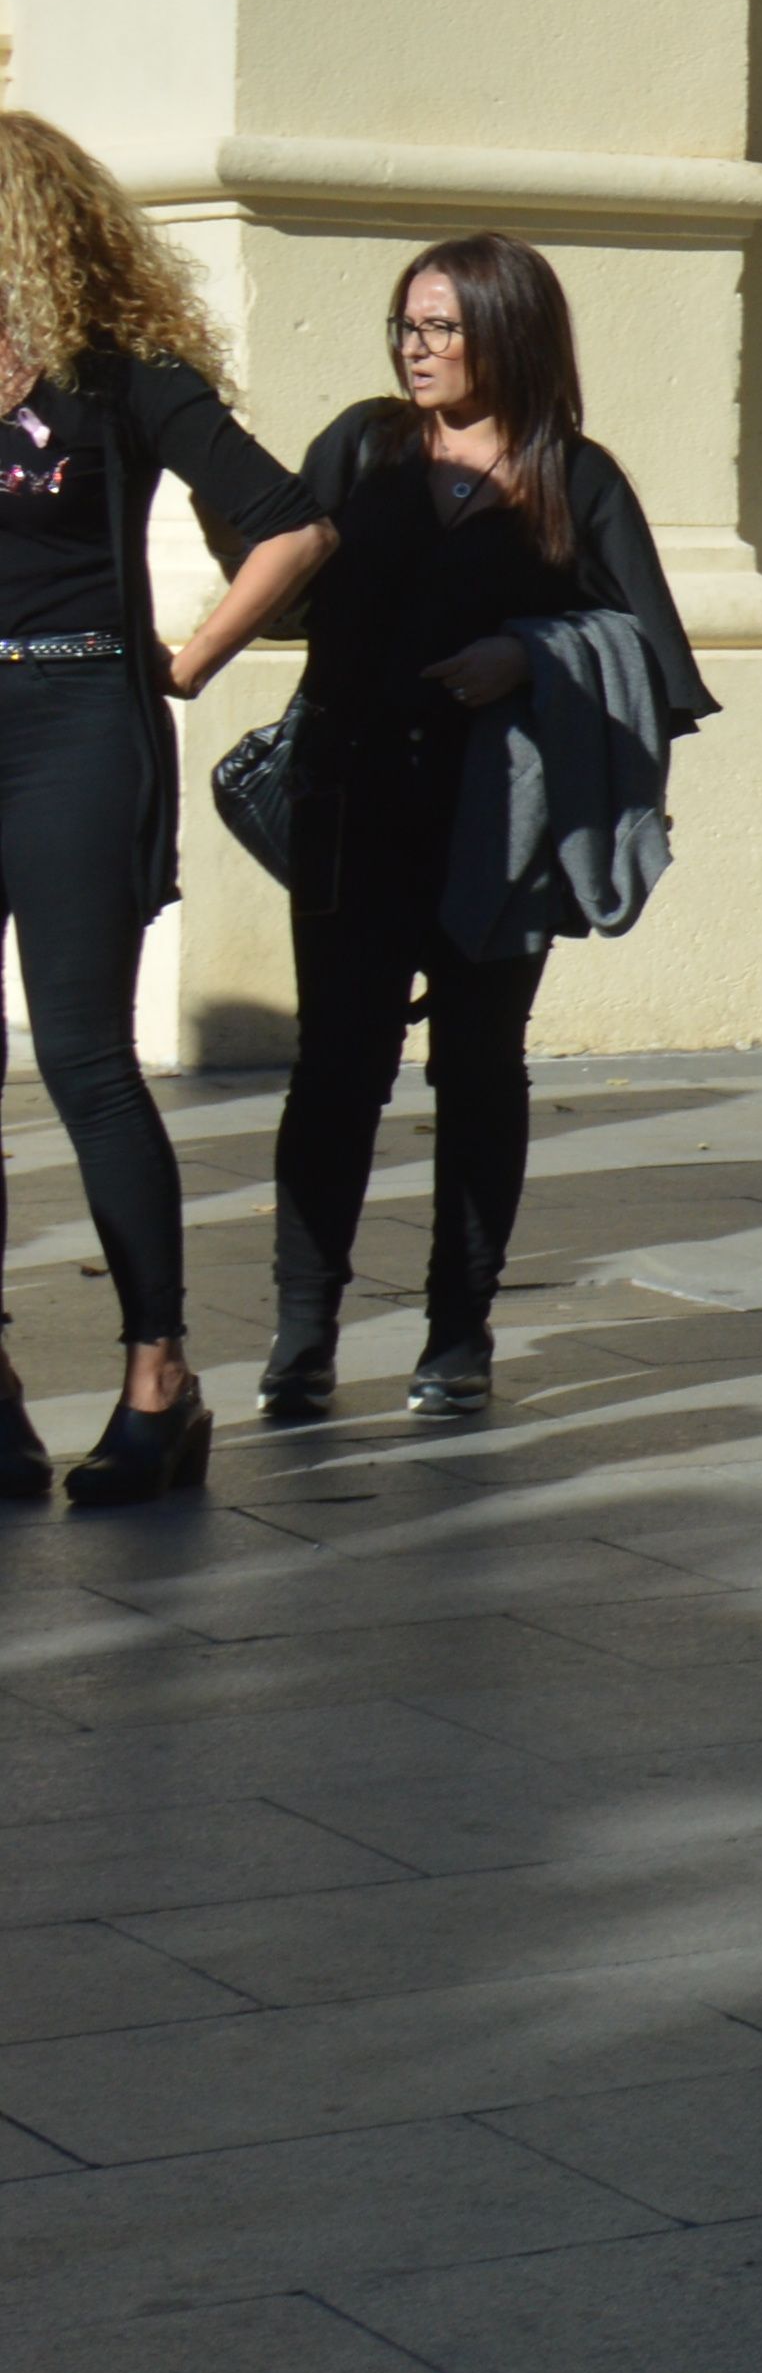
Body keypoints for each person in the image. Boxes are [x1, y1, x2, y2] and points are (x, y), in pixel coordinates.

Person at [261, 234, 716, 1425]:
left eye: (442, 328)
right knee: (336, 1068)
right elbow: (278, 571)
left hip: (495, 822)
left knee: (478, 1069)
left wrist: (533, 654)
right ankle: (301, 1337)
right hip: (352, 804)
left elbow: (655, 658)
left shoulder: (578, 475)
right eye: (408, 327)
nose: (416, 350)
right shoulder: (363, 446)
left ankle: (458, 1333)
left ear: (507, 333)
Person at [0, 115, 331, 1508]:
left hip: (76, 715)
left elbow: (293, 521)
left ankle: (159, 1374)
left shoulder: (118, 373)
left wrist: (185, 662)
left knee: (81, 1056)